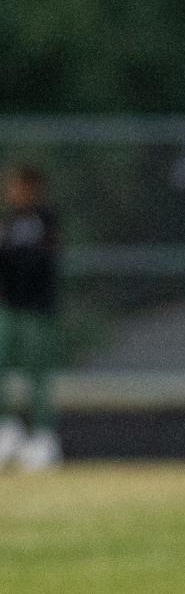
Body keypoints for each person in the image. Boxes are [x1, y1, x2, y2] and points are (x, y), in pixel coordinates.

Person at [0, 165, 63, 471]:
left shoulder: (45, 220)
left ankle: (43, 436)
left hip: (37, 309)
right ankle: (7, 429)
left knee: (37, 376)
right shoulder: (9, 222)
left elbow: (42, 263)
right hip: (9, 307)